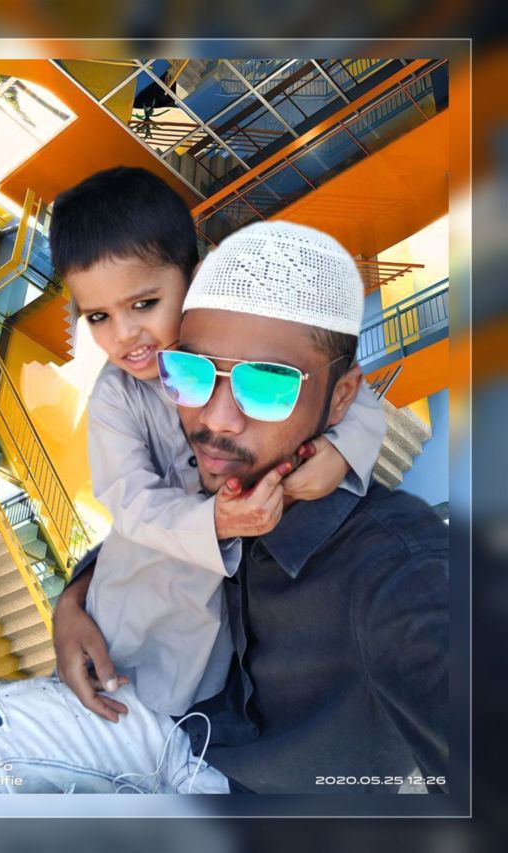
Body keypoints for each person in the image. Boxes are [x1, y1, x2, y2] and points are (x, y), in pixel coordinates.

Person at [0, 219, 447, 795]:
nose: (215, 420)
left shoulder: (397, 571)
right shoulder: (186, 453)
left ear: (342, 397)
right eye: (191, 371)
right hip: (152, 719)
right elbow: (146, 525)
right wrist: (72, 602)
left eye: (268, 386)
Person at [48, 167, 386, 717]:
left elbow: (352, 395)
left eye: (143, 304)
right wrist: (217, 523)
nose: (124, 334)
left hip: (218, 637)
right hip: (129, 616)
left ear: (196, 278)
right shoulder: (117, 396)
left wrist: (343, 451)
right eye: (99, 316)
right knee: (113, 713)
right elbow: (129, 503)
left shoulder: (246, 344)